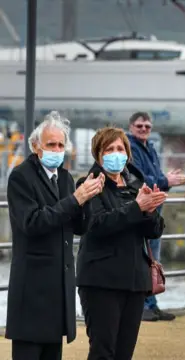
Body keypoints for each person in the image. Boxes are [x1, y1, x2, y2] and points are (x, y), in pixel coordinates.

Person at [5, 111, 104, 360]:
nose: (57, 150)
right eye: (51, 144)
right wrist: (75, 200)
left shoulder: (65, 178)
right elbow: (33, 222)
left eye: (61, 144)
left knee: (53, 354)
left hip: (58, 289)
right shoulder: (21, 177)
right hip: (32, 289)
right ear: (36, 147)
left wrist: (88, 199)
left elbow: (78, 226)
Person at [76, 127, 166, 359]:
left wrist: (150, 211)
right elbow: (96, 225)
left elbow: (155, 232)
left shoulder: (136, 184)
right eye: (109, 149)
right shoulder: (88, 185)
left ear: (127, 153)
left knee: (124, 352)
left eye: (120, 148)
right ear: (98, 155)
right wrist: (137, 208)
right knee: (103, 351)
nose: (116, 153)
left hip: (135, 282)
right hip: (101, 281)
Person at [127, 111, 185, 322]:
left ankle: (152, 303)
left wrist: (164, 182)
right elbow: (141, 178)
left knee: (154, 259)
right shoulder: (131, 149)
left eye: (147, 126)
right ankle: (143, 305)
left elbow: (155, 179)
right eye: (139, 126)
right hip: (143, 208)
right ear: (131, 127)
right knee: (146, 257)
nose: (144, 129)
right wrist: (166, 180)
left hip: (154, 208)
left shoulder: (149, 148)